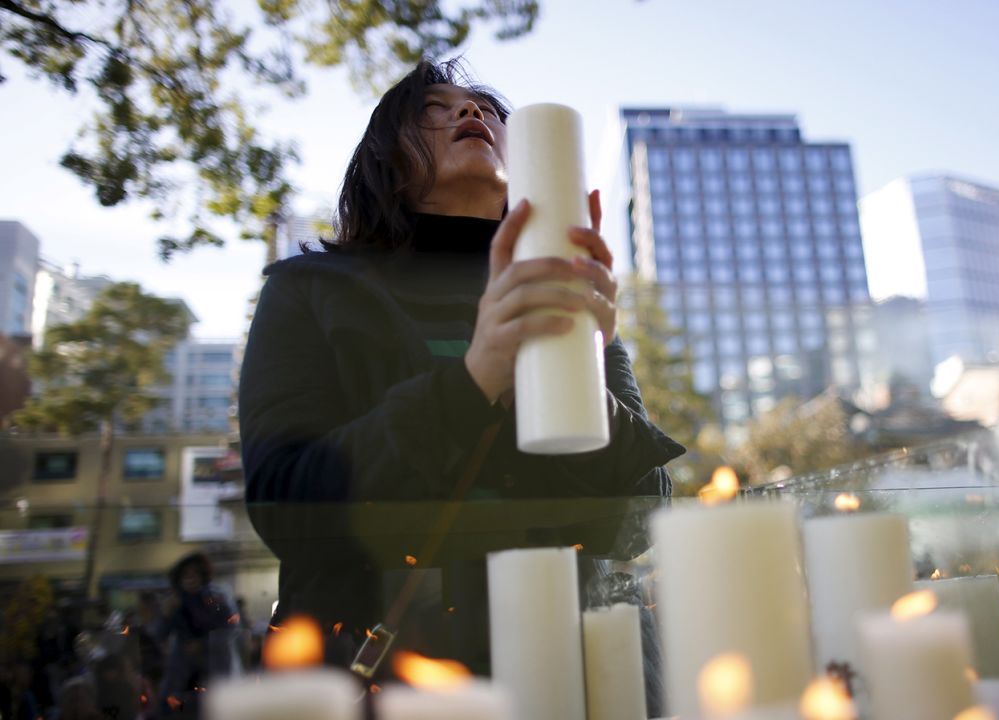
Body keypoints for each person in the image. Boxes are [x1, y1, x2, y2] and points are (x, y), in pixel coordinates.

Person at [238, 57, 684, 683]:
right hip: (401, 673)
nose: (470, 114)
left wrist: (590, 360)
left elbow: (638, 520)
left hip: (576, 668)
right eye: (432, 112)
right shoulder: (309, 290)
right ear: (383, 161)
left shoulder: (561, 289)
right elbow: (287, 504)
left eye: (487, 111)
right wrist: (473, 383)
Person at [156, 553, 241, 717]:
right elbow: (158, 635)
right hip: (182, 673)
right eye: (186, 575)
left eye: (195, 573)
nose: (190, 578)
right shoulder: (175, 600)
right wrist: (165, 615)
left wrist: (203, 643)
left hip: (214, 669)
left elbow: (230, 628)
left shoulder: (216, 597)